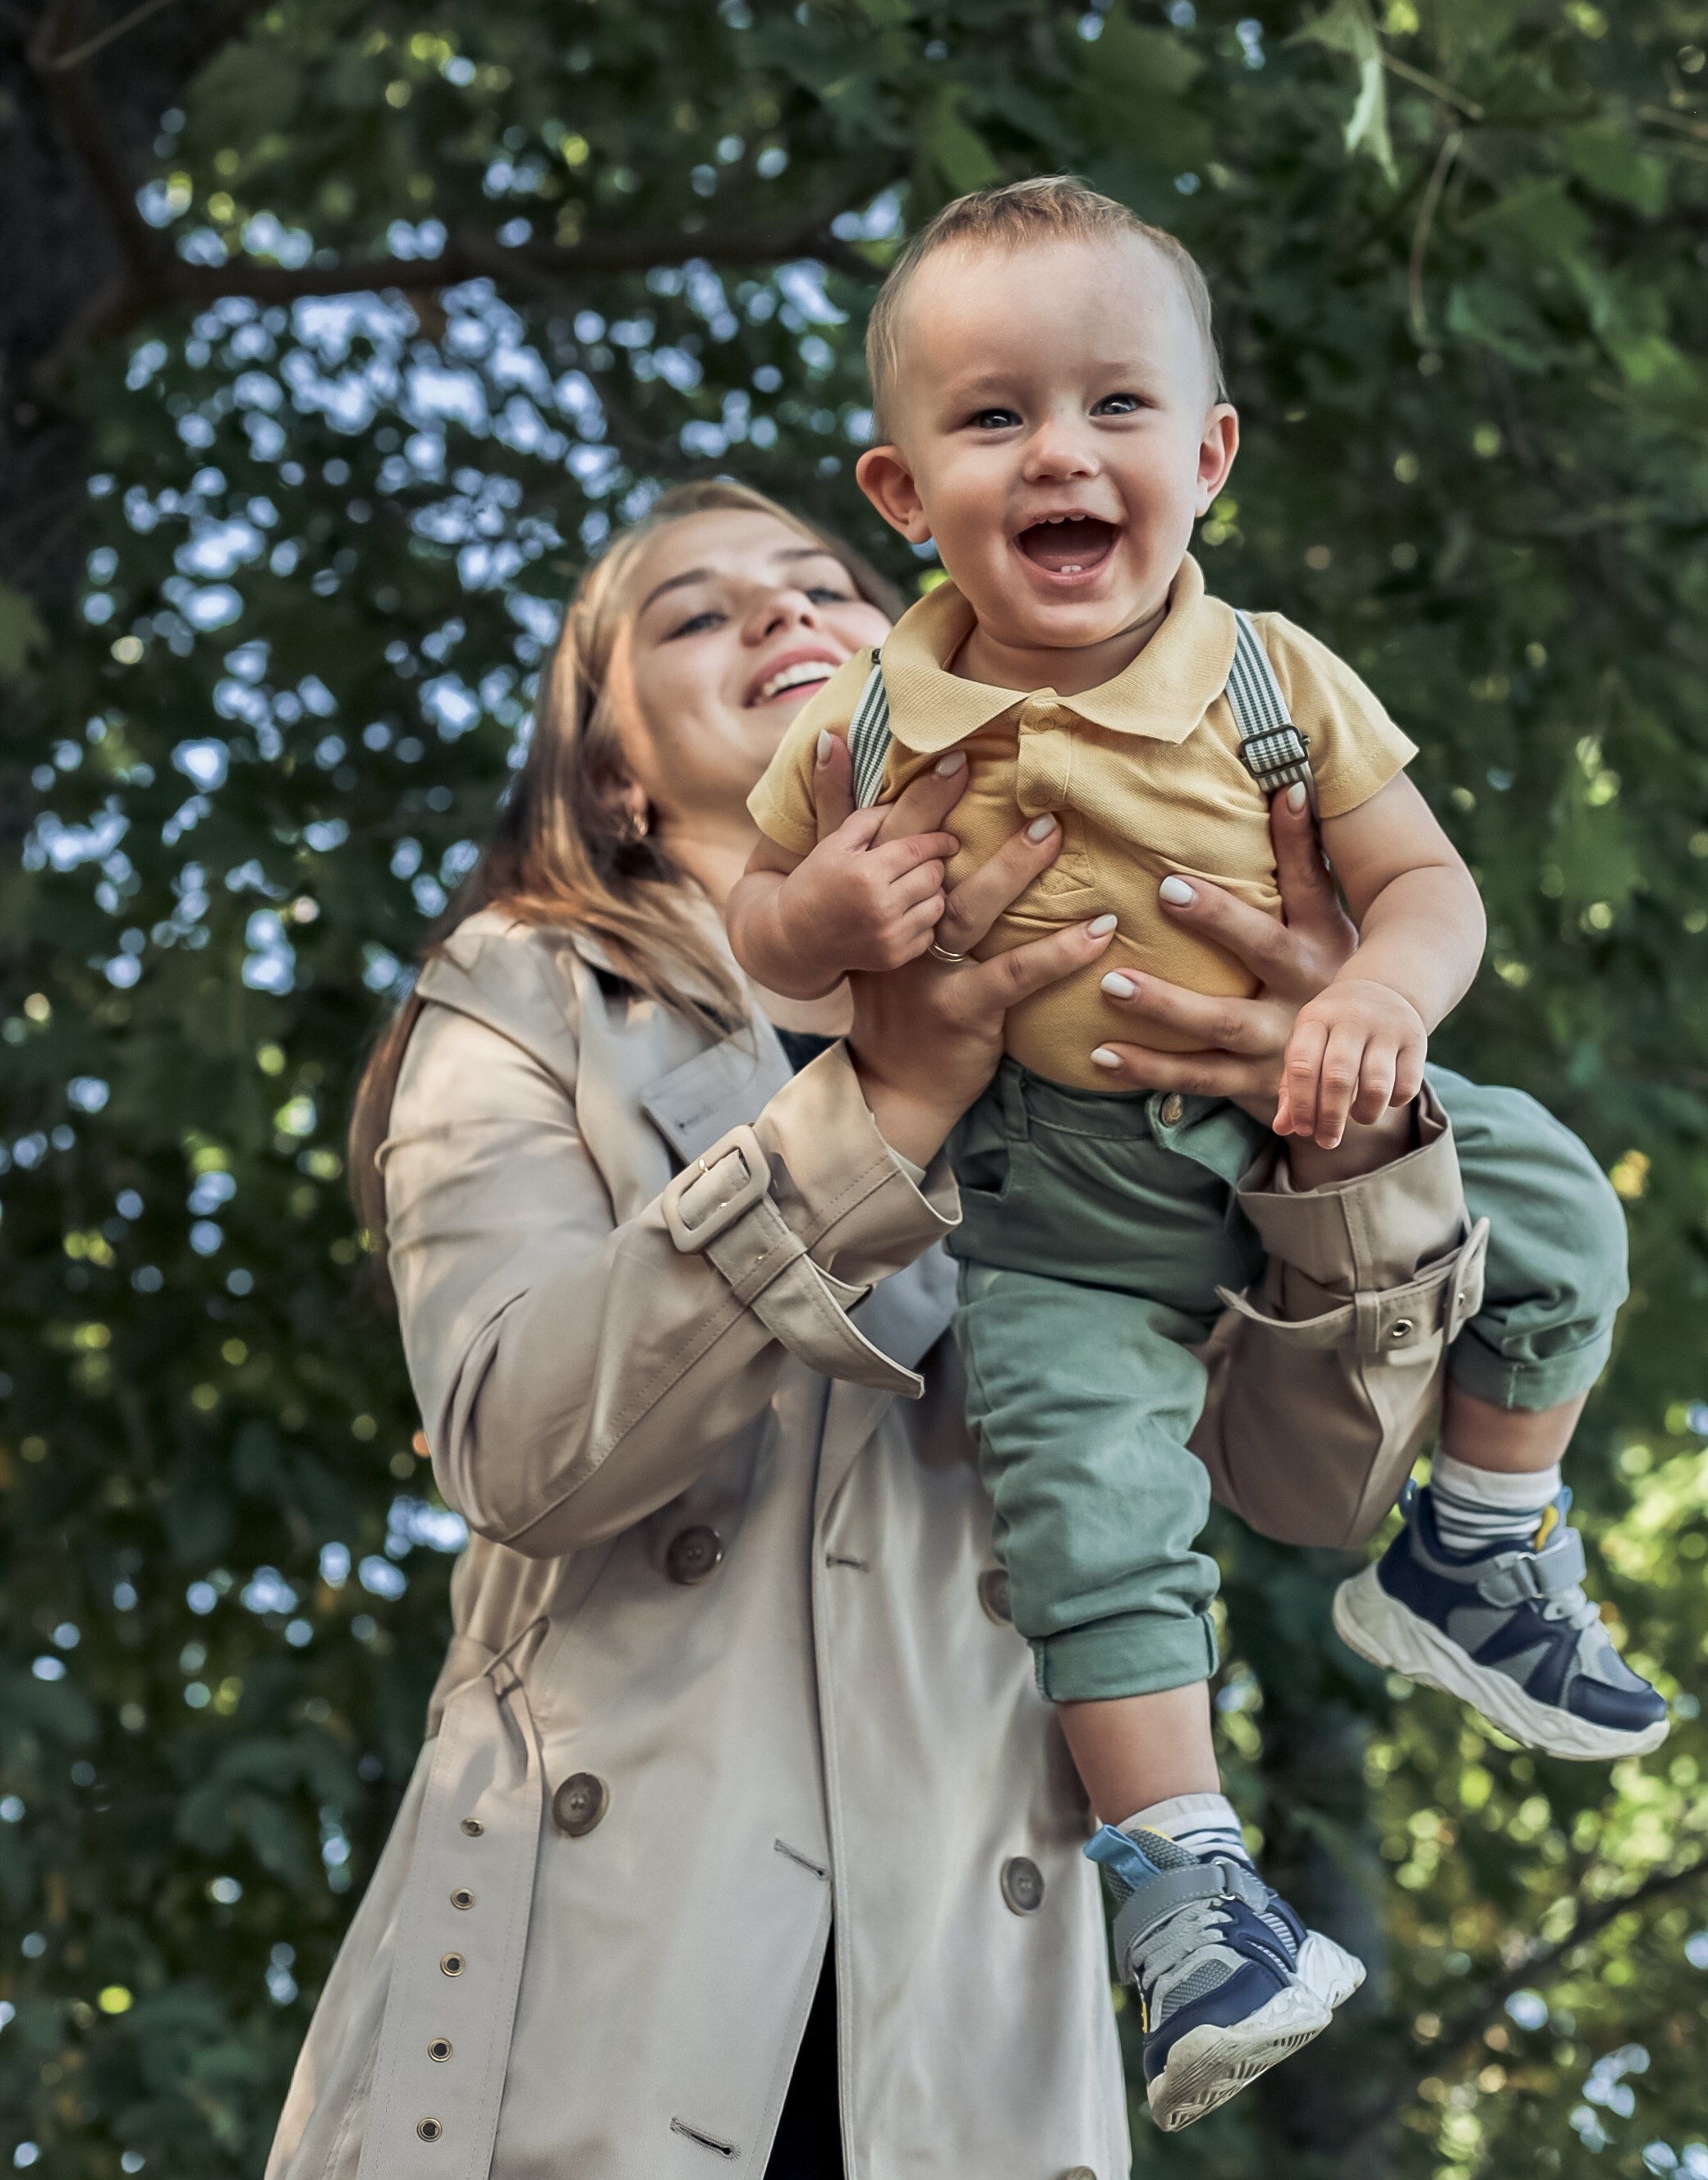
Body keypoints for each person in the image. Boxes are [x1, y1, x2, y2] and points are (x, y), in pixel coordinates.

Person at [266, 477, 1499, 2180]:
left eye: (827, 590)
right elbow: (516, 1442)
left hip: (969, 2037)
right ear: (615, 770)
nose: (780, 618)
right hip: (574, 2023)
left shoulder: (1126, 1017)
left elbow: (1310, 1482)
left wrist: (1338, 1134)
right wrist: (887, 1102)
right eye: (694, 614)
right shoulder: (527, 993)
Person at [728, 180, 1661, 2132]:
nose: (1058, 449)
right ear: (903, 495)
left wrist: (1379, 1003)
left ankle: (1482, 1548)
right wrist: (823, 919)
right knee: (1079, 1501)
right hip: (1057, 1194)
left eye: (1113, 407)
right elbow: (761, 929)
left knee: (1558, 1203)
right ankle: (1184, 1892)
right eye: (992, 420)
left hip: (1294, 1100)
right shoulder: (871, 718)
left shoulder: (1267, 676)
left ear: (1206, 454)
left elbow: (1428, 889)